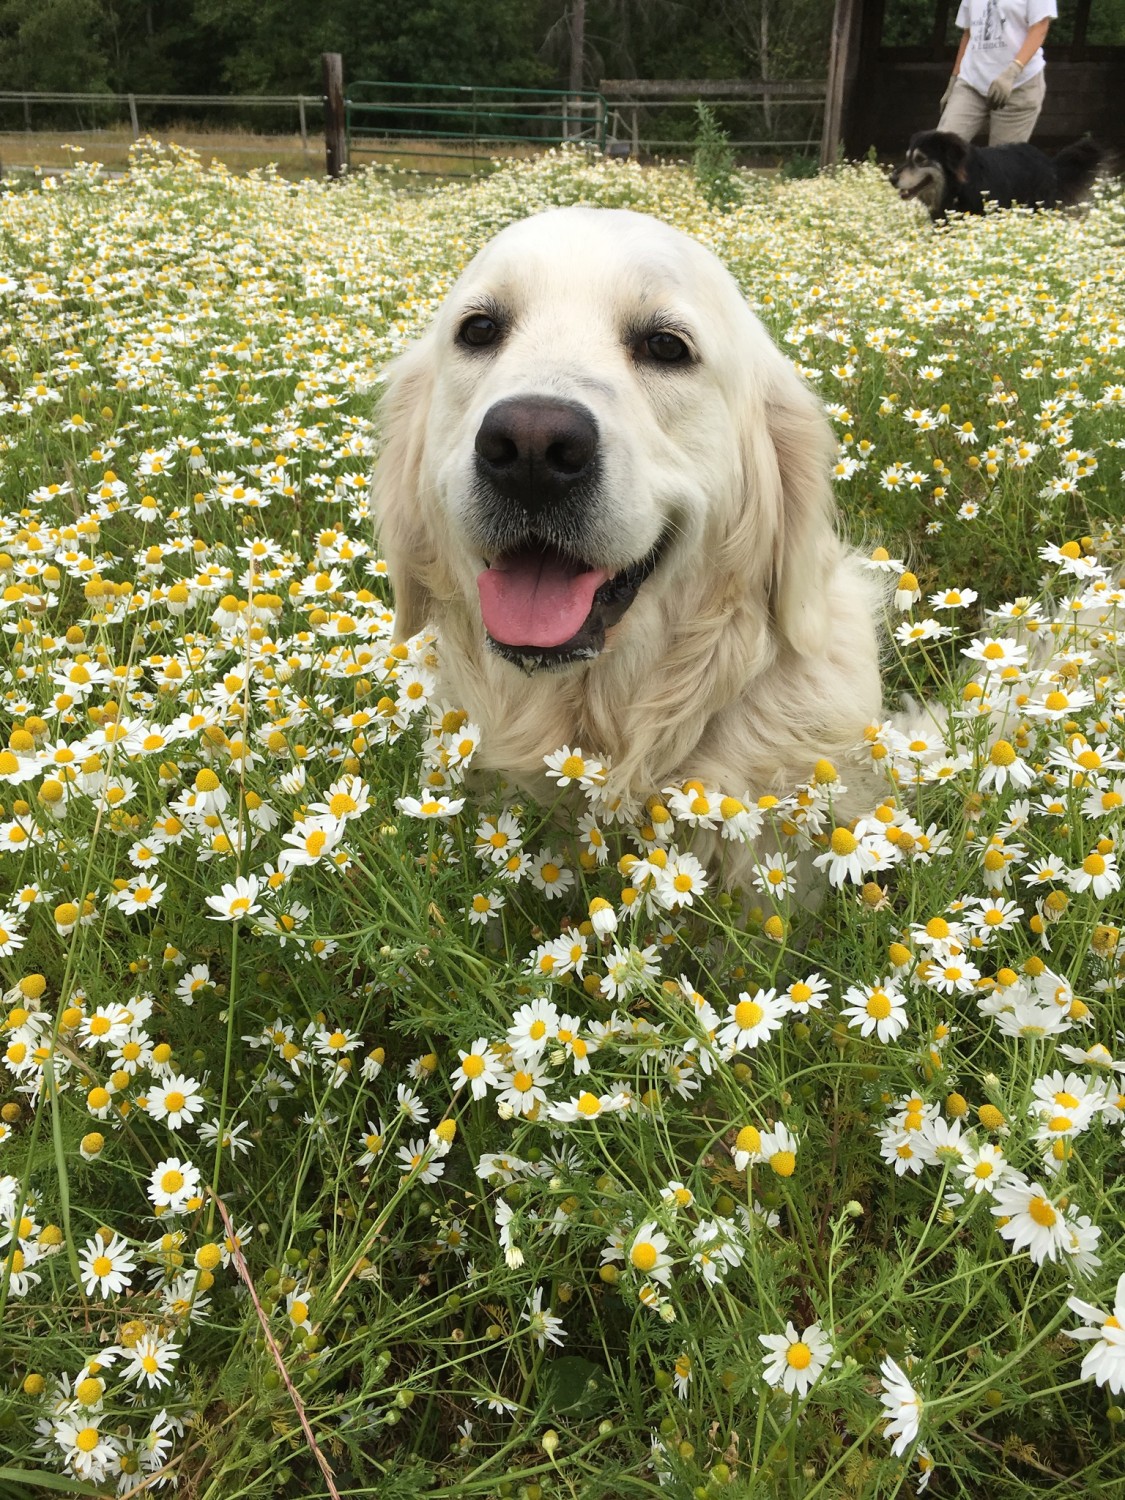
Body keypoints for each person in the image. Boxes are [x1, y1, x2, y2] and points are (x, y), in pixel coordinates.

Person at [938, 1, 1056, 146]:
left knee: (1003, 162)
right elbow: (968, 33)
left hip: (1018, 86)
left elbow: (1040, 27)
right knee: (940, 150)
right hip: (971, 83)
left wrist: (1013, 71)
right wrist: (954, 79)